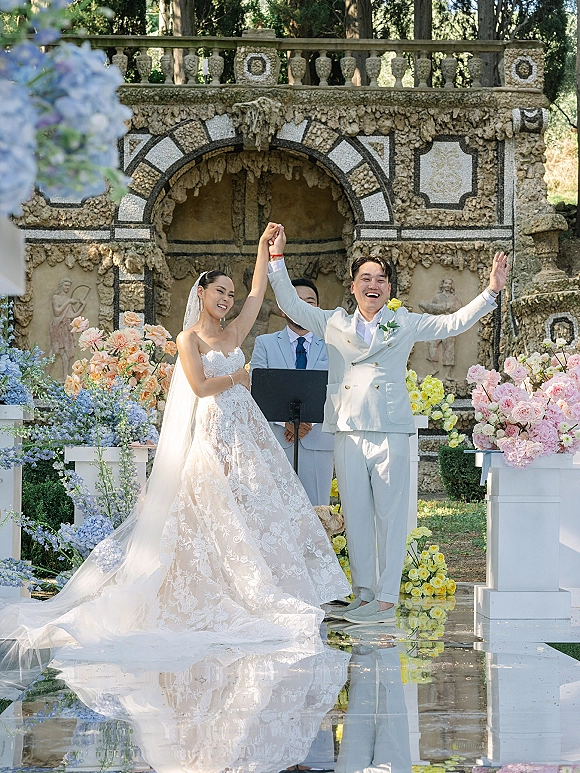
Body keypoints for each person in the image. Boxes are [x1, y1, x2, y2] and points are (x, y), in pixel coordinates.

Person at [0, 223, 350, 658]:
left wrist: (267, 249)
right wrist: (238, 376)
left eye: (230, 295)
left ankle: (248, 588)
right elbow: (201, 387)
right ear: (201, 293)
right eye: (219, 292)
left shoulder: (234, 332)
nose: (227, 300)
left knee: (249, 510)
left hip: (245, 434)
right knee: (209, 511)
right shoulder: (189, 338)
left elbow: (258, 294)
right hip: (213, 430)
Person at [267, 226, 508, 625]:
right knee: (357, 514)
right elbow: (291, 303)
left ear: (389, 287)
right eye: (366, 278)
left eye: (381, 279)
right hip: (348, 428)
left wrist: (491, 292)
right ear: (353, 285)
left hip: (391, 427)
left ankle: (387, 598)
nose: (373, 285)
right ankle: (363, 594)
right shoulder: (333, 322)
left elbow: (451, 324)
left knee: (391, 516)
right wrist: (277, 259)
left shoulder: (405, 322)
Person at [250, 277, 334, 507]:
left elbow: (339, 387)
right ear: (283, 306)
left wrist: (308, 422)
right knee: (276, 514)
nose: (303, 306)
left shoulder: (333, 343)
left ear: (317, 308)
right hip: (277, 440)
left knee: (318, 515)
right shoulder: (265, 343)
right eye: (296, 300)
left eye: (310, 301)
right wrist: (287, 422)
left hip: (318, 440)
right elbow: (257, 389)